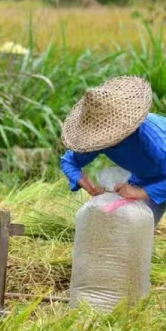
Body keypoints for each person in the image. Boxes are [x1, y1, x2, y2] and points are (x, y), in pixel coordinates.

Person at [60, 75, 166, 225]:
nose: (104, 142)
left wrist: (140, 193)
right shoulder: (99, 138)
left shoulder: (154, 141)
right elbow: (69, 161)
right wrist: (83, 181)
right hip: (146, 178)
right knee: (135, 228)